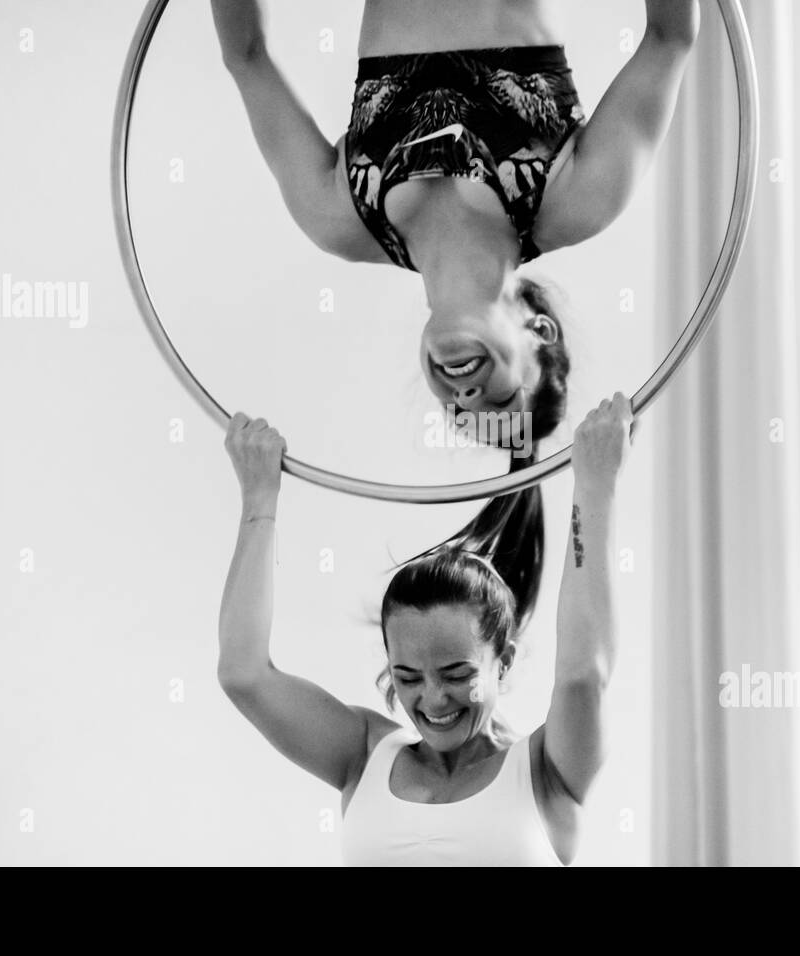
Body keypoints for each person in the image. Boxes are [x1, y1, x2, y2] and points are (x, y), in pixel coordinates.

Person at [210, 0, 697, 442]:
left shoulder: (339, 220)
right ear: (540, 332)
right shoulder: (576, 202)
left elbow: (247, 57)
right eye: (502, 401)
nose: (466, 398)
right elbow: (668, 40)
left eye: (458, 415)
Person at [218, 393, 635, 865]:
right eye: (409, 677)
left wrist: (596, 484)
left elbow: (583, 673)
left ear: (504, 662)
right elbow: (242, 672)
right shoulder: (364, 754)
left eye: (457, 675)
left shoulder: (546, 772)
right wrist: (259, 500)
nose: (434, 700)